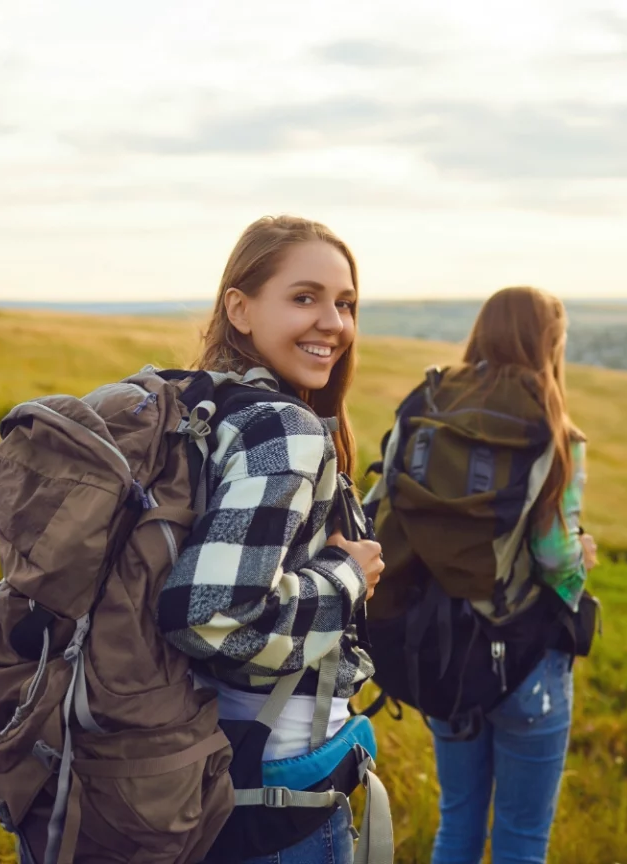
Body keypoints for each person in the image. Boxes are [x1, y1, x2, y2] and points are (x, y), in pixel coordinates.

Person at [156, 215, 383, 864]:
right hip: (278, 784)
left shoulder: (195, 406)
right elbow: (205, 616)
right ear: (241, 308)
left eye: (345, 304)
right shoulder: (284, 429)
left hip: (195, 764)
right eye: (305, 298)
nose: (334, 322)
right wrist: (346, 574)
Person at [413, 287, 595, 864]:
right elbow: (555, 556)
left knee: (456, 824)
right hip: (527, 659)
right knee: (521, 837)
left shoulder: (433, 411)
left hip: (442, 648)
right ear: (550, 343)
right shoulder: (553, 429)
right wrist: (579, 566)